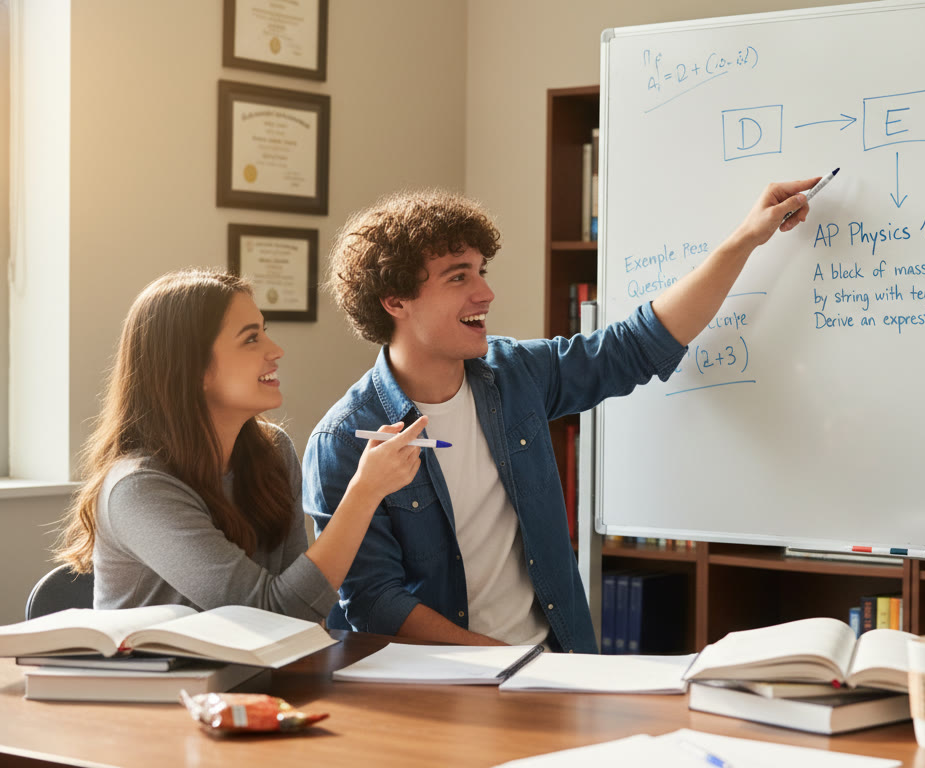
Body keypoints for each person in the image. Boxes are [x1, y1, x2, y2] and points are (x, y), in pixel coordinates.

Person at [305, 179, 817, 650]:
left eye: (481, 271)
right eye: (458, 277)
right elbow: (375, 602)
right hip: (442, 691)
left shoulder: (514, 374)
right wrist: (506, 662)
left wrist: (746, 240)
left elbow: (638, 346)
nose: (485, 293)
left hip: (557, 664)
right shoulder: (344, 440)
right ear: (395, 301)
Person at [54, 268, 427, 621]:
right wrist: (364, 493)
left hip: (253, 681)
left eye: (264, 331)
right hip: (161, 688)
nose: (276, 349)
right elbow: (273, 614)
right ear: (194, 368)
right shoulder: (138, 489)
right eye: (251, 338)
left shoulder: (273, 451)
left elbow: (299, 607)